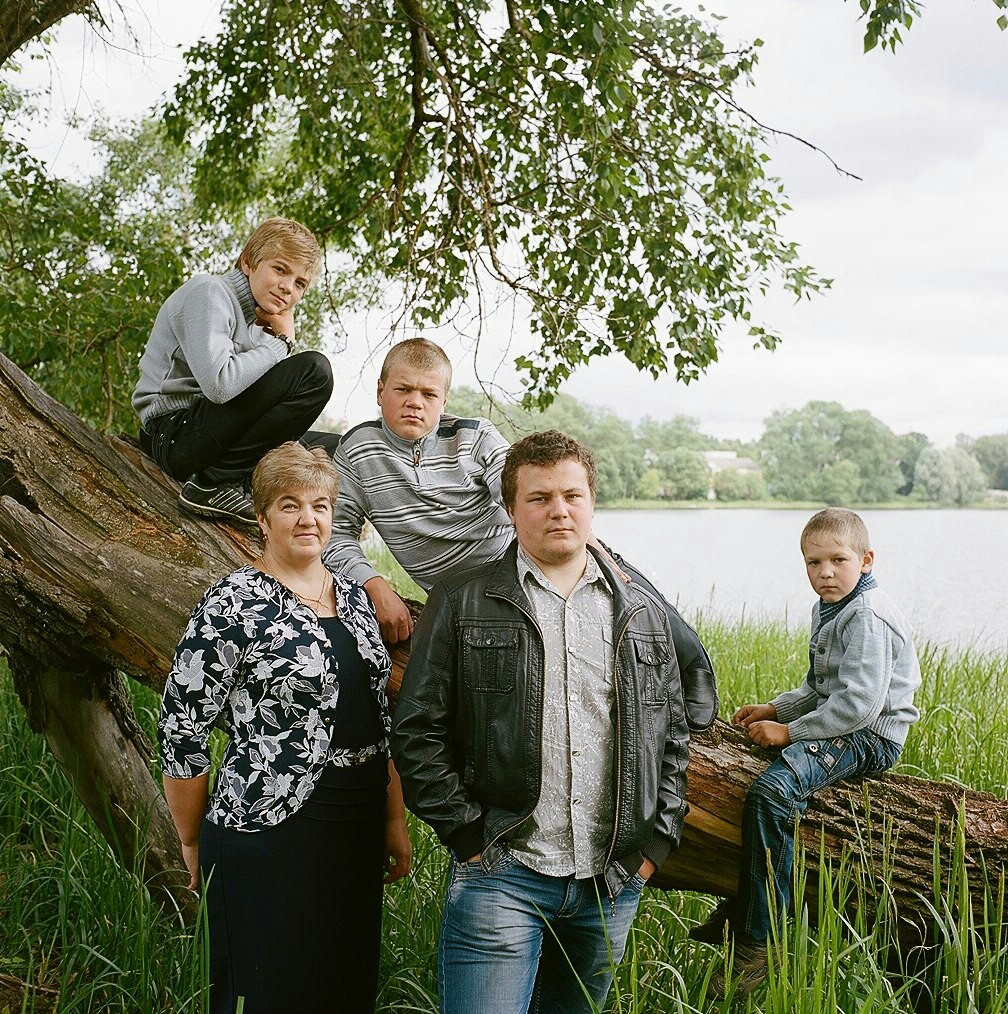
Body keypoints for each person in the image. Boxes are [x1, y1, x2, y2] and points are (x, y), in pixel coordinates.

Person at [391, 430, 691, 1014]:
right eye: (540, 497)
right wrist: (467, 834)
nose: (559, 510)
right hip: (503, 872)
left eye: (572, 495)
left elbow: (671, 736)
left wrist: (654, 842)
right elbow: (416, 729)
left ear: (591, 501)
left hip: (610, 884)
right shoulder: (462, 601)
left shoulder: (644, 611)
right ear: (510, 509)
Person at [323, 337, 717, 730]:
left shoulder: (473, 435)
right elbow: (337, 534)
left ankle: (688, 662)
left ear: (444, 401)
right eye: (403, 390)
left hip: (520, 558)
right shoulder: (358, 451)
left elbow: (518, 490)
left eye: (429, 394)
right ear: (380, 391)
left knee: (605, 564)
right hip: (462, 593)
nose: (415, 402)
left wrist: (586, 543)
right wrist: (375, 584)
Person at [158, 442, 411, 1014]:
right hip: (264, 828)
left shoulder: (352, 599)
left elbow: (378, 719)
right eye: (290, 505)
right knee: (263, 992)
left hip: (357, 822)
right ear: (262, 515)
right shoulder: (232, 603)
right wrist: (191, 840)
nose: (308, 519)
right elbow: (182, 729)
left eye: (320, 505)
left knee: (345, 990)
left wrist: (394, 817)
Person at [688, 507, 921, 1000]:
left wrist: (789, 732)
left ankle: (760, 939)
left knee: (773, 793)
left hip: (871, 737)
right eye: (813, 563)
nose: (825, 573)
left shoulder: (867, 616)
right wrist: (776, 707)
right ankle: (747, 899)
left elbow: (857, 706)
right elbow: (821, 687)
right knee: (754, 781)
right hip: (845, 722)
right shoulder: (830, 608)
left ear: (867, 560)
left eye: (838, 560)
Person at [134, 217, 338, 526]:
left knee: (340, 447)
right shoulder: (209, 292)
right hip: (173, 434)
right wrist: (281, 344)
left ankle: (246, 483)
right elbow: (220, 385)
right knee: (315, 372)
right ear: (248, 262)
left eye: (300, 283)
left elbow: (261, 405)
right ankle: (212, 484)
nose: (288, 288)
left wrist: (272, 340)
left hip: (212, 433)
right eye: (280, 270)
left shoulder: (261, 322)